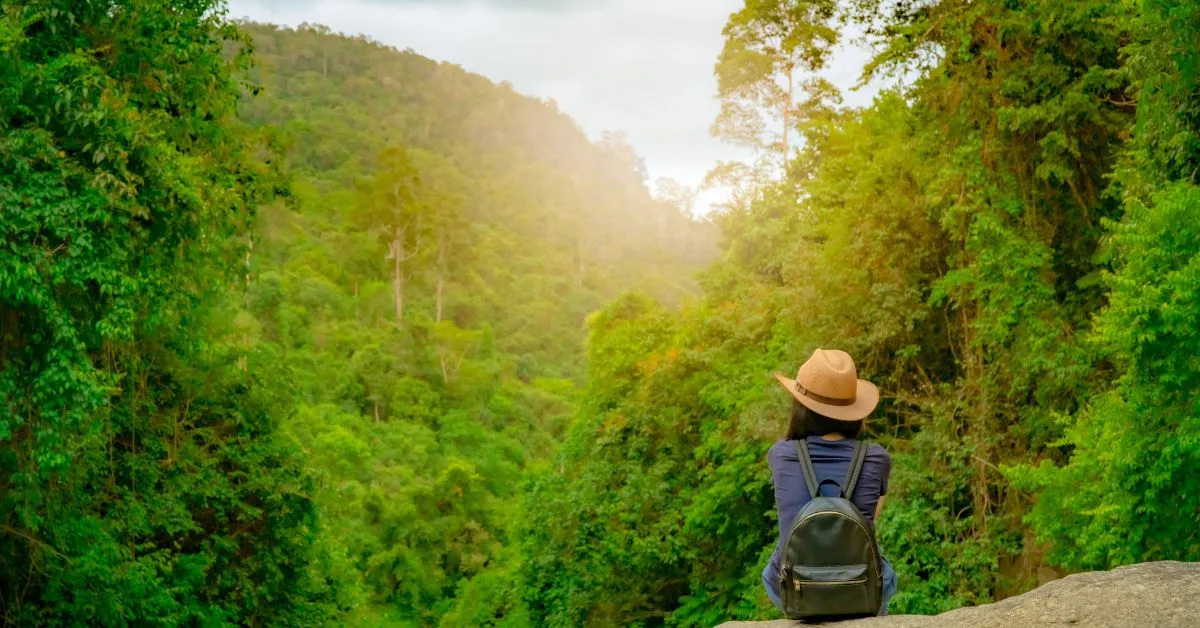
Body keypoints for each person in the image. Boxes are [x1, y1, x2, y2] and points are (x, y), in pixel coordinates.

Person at [761, 348, 898, 615]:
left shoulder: (780, 455)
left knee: (772, 571)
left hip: (796, 583)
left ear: (800, 408)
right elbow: (869, 517)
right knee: (886, 571)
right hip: (859, 583)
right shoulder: (876, 458)